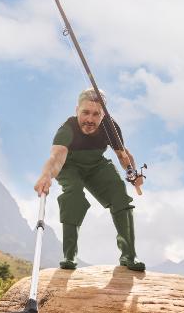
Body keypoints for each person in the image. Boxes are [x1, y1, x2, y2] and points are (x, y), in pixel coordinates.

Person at [34, 88, 145, 271]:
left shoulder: (110, 127)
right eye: (85, 112)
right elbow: (56, 158)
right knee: (74, 195)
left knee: (119, 193)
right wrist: (46, 175)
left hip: (96, 166)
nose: (90, 119)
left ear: (104, 115)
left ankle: (129, 256)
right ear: (76, 109)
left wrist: (133, 174)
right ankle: (69, 256)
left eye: (96, 114)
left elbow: (123, 155)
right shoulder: (67, 129)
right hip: (69, 167)